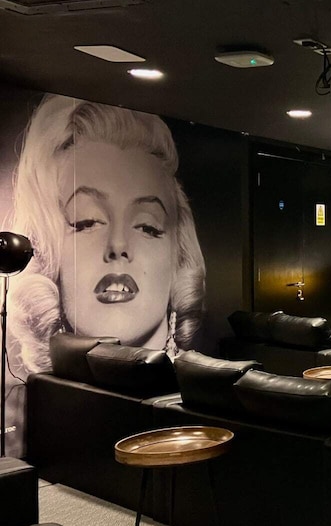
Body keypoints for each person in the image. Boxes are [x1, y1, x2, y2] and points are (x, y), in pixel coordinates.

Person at [7, 94, 206, 377]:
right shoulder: (30, 399)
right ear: (48, 257)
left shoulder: (208, 394)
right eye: (86, 222)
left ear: (179, 257)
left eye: (147, 226)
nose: (118, 245)